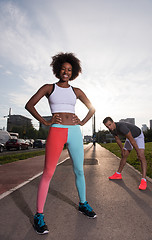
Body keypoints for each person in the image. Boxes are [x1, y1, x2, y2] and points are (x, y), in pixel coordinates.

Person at [25, 52, 97, 235]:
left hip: (74, 132)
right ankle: (39, 216)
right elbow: (30, 104)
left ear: (73, 73)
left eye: (69, 70)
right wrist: (46, 121)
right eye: (63, 69)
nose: (66, 72)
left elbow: (92, 108)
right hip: (56, 130)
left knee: (79, 170)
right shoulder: (49, 88)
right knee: (48, 172)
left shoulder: (76, 91)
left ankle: (83, 204)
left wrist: (82, 122)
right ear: (58, 70)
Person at [103, 117, 147, 191]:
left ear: (113, 122)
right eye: (107, 126)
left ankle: (143, 180)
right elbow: (117, 139)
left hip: (137, 136)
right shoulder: (112, 130)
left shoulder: (122, 127)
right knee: (124, 155)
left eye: (110, 125)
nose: (109, 128)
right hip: (129, 138)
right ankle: (118, 174)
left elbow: (132, 140)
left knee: (141, 156)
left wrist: (138, 151)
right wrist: (122, 149)